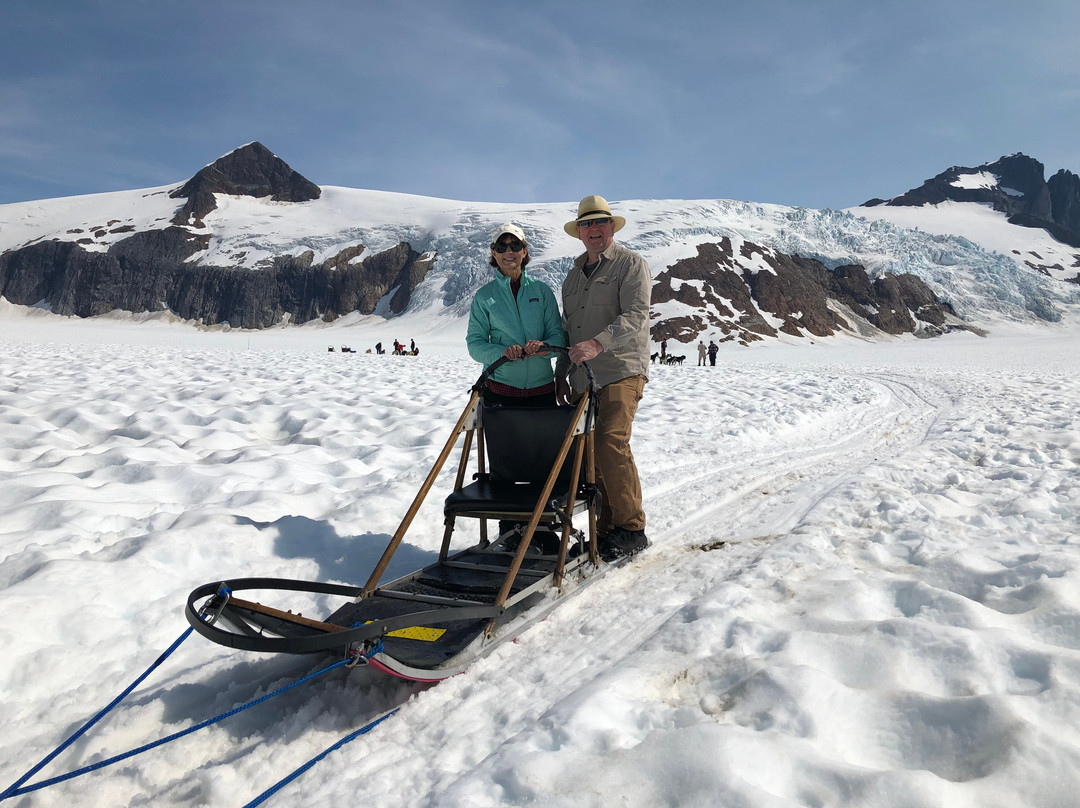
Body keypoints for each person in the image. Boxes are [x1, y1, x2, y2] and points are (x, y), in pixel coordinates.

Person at [555, 195, 651, 561]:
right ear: (579, 232)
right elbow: (568, 329)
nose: (594, 230)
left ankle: (632, 528)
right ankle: (606, 529)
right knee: (591, 455)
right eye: (587, 224)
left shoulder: (630, 264)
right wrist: (562, 373)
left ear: (612, 227)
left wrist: (598, 344)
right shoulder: (573, 276)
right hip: (583, 377)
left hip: (620, 369)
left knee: (611, 441)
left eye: (601, 223)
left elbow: (637, 315)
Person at [467, 223, 565, 407]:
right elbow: (475, 344)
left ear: (525, 251)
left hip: (542, 391)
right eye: (501, 247)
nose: (508, 251)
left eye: (515, 245)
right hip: (499, 391)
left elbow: (558, 337)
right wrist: (501, 353)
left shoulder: (542, 291)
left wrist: (543, 347)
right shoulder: (484, 296)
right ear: (494, 253)